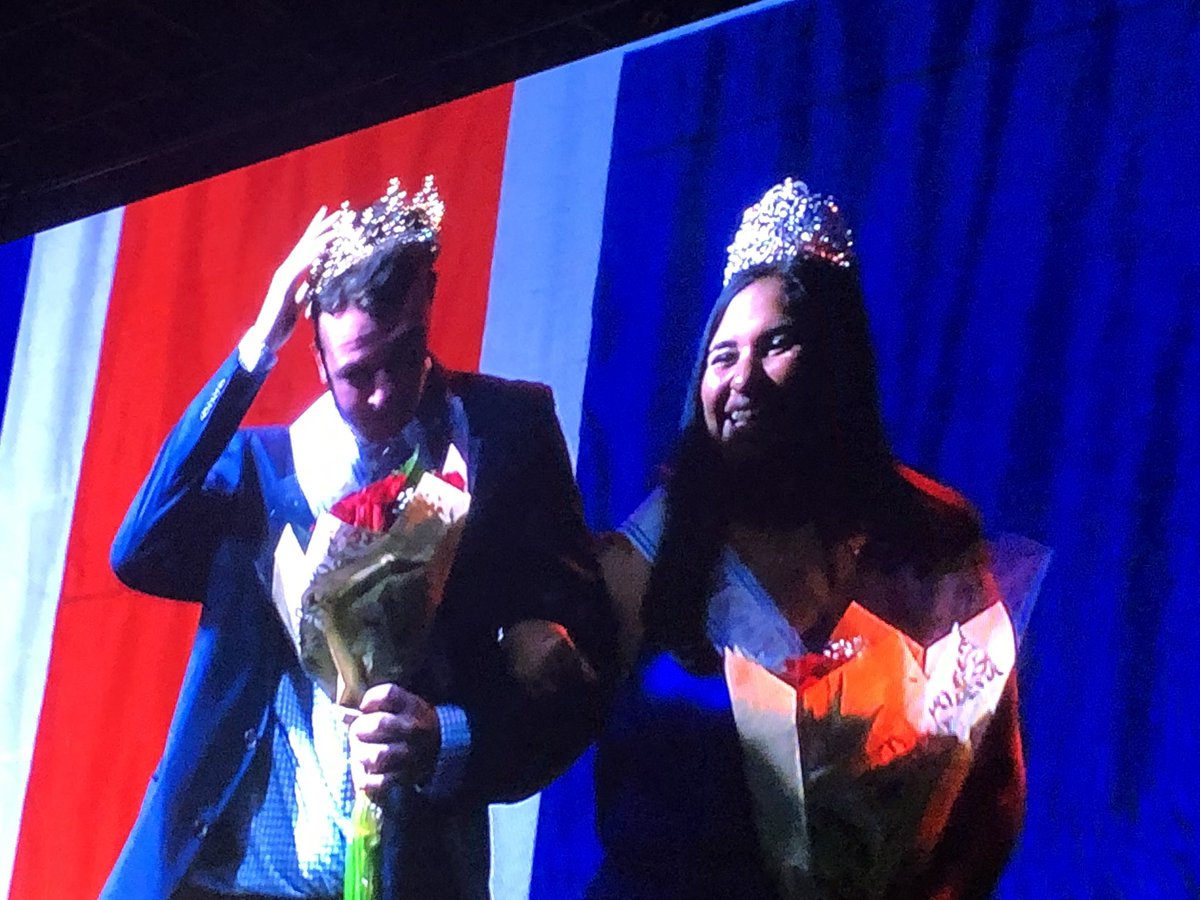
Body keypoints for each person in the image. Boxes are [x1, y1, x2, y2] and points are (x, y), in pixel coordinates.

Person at [102, 177, 614, 900]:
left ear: (429, 307)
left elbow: (583, 674)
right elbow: (138, 546)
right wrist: (255, 349)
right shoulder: (265, 467)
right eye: (355, 373)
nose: (381, 394)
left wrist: (451, 735)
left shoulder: (507, 434)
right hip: (220, 878)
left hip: (416, 874)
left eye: (403, 357)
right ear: (315, 359)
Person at [590, 179, 1042, 899]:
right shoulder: (639, 560)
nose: (743, 379)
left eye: (776, 345)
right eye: (722, 355)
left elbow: (989, 794)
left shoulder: (929, 537)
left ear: (835, 360)